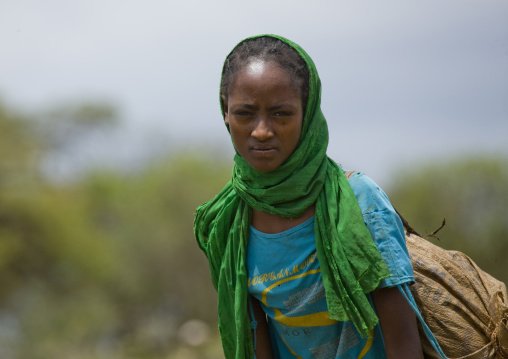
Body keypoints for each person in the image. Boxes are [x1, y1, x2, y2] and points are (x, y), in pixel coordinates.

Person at [194, 34, 424, 359]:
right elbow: (256, 343)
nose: (261, 130)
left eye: (281, 114)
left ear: (308, 111)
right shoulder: (228, 221)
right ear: (225, 113)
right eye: (245, 114)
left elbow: (403, 343)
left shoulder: (356, 201)